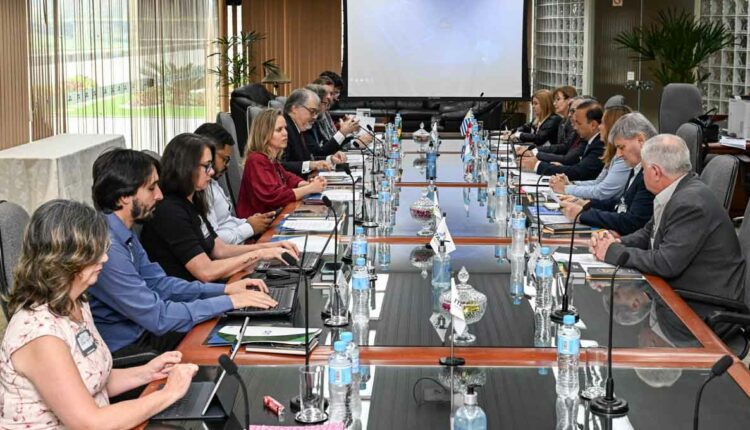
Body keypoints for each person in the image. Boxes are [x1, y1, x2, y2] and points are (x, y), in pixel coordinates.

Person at [0, 199, 198, 429]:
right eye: (93, 252)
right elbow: (90, 423)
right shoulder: (40, 334)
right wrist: (169, 393)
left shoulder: (77, 302)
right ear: (64, 259)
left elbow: (94, 380)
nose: (104, 258)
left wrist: (147, 372)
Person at [89, 148, 278, 356]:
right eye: (152, 188)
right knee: (233, 341)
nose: (159, 195)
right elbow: (159, 317)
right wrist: (229, 301)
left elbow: (162, 285)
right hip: (132, 351)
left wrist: (225, 291)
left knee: (239, 328)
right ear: (124, 196)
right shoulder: (109, 248)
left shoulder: (124, 232)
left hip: (148, 334)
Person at [590, 134, 745, 318]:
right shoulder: (678, 191)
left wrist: (613, 252)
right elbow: (649, 234)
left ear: (655, 172)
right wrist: (615, 241)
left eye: (644, 169)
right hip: (681, 292)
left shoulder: (690, 203)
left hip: (703, 307)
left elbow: (666, 263)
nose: (641, 174)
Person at [140, 133, 299, 282]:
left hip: (205, 289)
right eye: (207, 166)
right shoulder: (169, 211)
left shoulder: (191, 200)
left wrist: (271, 246)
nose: (212, 171)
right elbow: (206, 271)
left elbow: (219, 249)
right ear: (187, 167)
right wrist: (260, 254)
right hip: (189, 299)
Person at [560, 112, 656, 236]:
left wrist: (583, 215)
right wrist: (586, 204)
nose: (619, 154)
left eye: (622, 147)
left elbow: (633, 222)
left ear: (640, 140)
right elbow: (621, 203)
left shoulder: (651, 173)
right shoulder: (637, 166)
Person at [237, 108, 328, 217]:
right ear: (264, 133)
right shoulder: (256, 160)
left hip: (274, 218)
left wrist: (308, 184)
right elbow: (274, 196)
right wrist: (309, 188)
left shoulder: (270, 159)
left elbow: (287, 178)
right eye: (279, 130)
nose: (285, 133)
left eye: (285, 128)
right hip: (260, 227)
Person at [194, 122, 274, 244]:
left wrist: (249, 222)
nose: (227, 166)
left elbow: (226, 221)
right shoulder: (201, 190)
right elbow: (215, 240)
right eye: (224, 159)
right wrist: (249, 227)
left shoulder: (213, 183)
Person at [550, 105, 633, 201]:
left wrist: (566, 189)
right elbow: (598, 182)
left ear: (612, 127)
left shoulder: (623, 157)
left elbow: (602, 191)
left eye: (602, 123)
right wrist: (570, 183)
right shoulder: (613, 153)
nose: (599, 126)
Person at [521, 100, 604, 181]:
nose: (575, 127)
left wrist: (537, 165)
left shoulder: (599, 145)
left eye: (579, 123)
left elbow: (579, 172)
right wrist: (560, 167)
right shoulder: (588, 138)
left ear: (593, 125)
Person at [280, 88, 346, 177]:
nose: (315, 117)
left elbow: (307, 158)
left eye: (316, 112)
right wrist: (311, 165)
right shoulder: (284, 129)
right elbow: (280, 166)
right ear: (294, 108)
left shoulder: (297, 126)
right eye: (312, 111)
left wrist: (330, 159)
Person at [304, 83, 359, 157]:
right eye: (325, 103)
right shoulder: (307, 124)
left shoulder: (319, 118)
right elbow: (320, 153)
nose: (331, 98)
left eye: (332, 93)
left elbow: (328, 146)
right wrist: (342, 133)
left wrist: (344, 133)